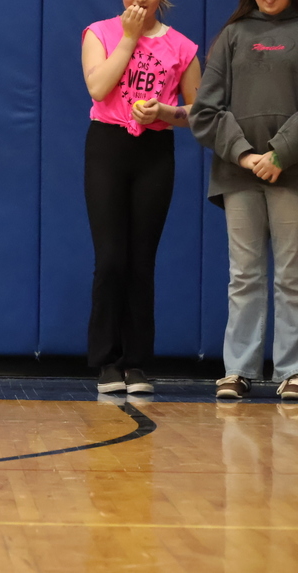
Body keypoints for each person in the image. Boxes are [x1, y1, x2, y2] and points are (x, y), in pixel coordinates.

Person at [81, 0, 201, 394]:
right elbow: (98, 88)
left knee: (140, 260)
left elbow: (199, 112)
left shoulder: (182, 47)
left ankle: (135, 363)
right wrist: (129, 39)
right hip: (107, 147)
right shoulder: (99, 33)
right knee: (111, 258)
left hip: (153, 153)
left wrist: (164, 112)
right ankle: (107, 361)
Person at [190, 0, 298, 401]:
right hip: (238, 174)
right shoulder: (233, 36)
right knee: (244, 275)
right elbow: (205, 111)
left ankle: (292, 370)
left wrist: (281, 153)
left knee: (292, 276)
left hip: (291, 174)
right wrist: (245, 155)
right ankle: (238, 369)